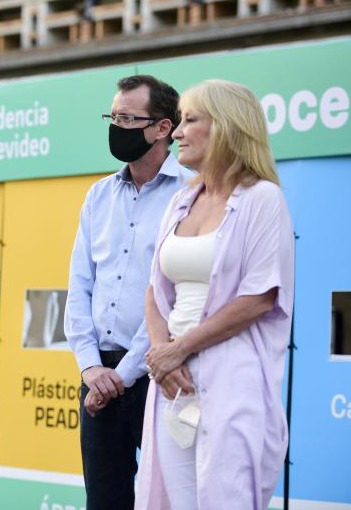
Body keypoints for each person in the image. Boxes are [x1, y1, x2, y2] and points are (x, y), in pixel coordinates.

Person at [136, 80, 294, 509]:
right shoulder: (181, 201)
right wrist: (160, 352)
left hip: (231, 377)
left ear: (225, 126)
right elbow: (154, 288)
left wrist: (178, 348)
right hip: (173, 381)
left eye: (190, 120)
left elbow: (258, 298)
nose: (177, 132)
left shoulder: (263, 199)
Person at [65, 75, 192, 509]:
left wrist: (126, 373)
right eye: (112, 116)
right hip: (97, 377)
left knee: (168, 498)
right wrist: (89, 368)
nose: (116, 126)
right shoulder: (98, 195)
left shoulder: (190, 193)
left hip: (160, 373)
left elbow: (168, 295)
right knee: (104, 499)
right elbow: (79, 286)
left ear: (163, 128)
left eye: (127, 117)